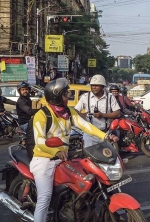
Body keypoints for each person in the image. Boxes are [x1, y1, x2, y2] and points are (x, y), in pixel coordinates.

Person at [30, 78, 115, 221]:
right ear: (57, 96)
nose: (68, 95)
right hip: (44, 160)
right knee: (44, 198)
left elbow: (85, 125)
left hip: (64, 158)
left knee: (85, 182)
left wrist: (105, 135)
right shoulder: (42, 115)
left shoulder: (68, 112)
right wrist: (55, 151)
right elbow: (39, 141)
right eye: (65, 93)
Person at [74, 75, 120, 147]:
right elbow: (74, 111)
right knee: (90, 157)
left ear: (102, 86)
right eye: (92, 85)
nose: (94, 87)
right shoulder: (85, 97)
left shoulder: (110, 97)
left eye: (96, 85)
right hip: (90, 136)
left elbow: (117, 113)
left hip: (105, 133)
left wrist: (103, 115)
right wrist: (81, 114)